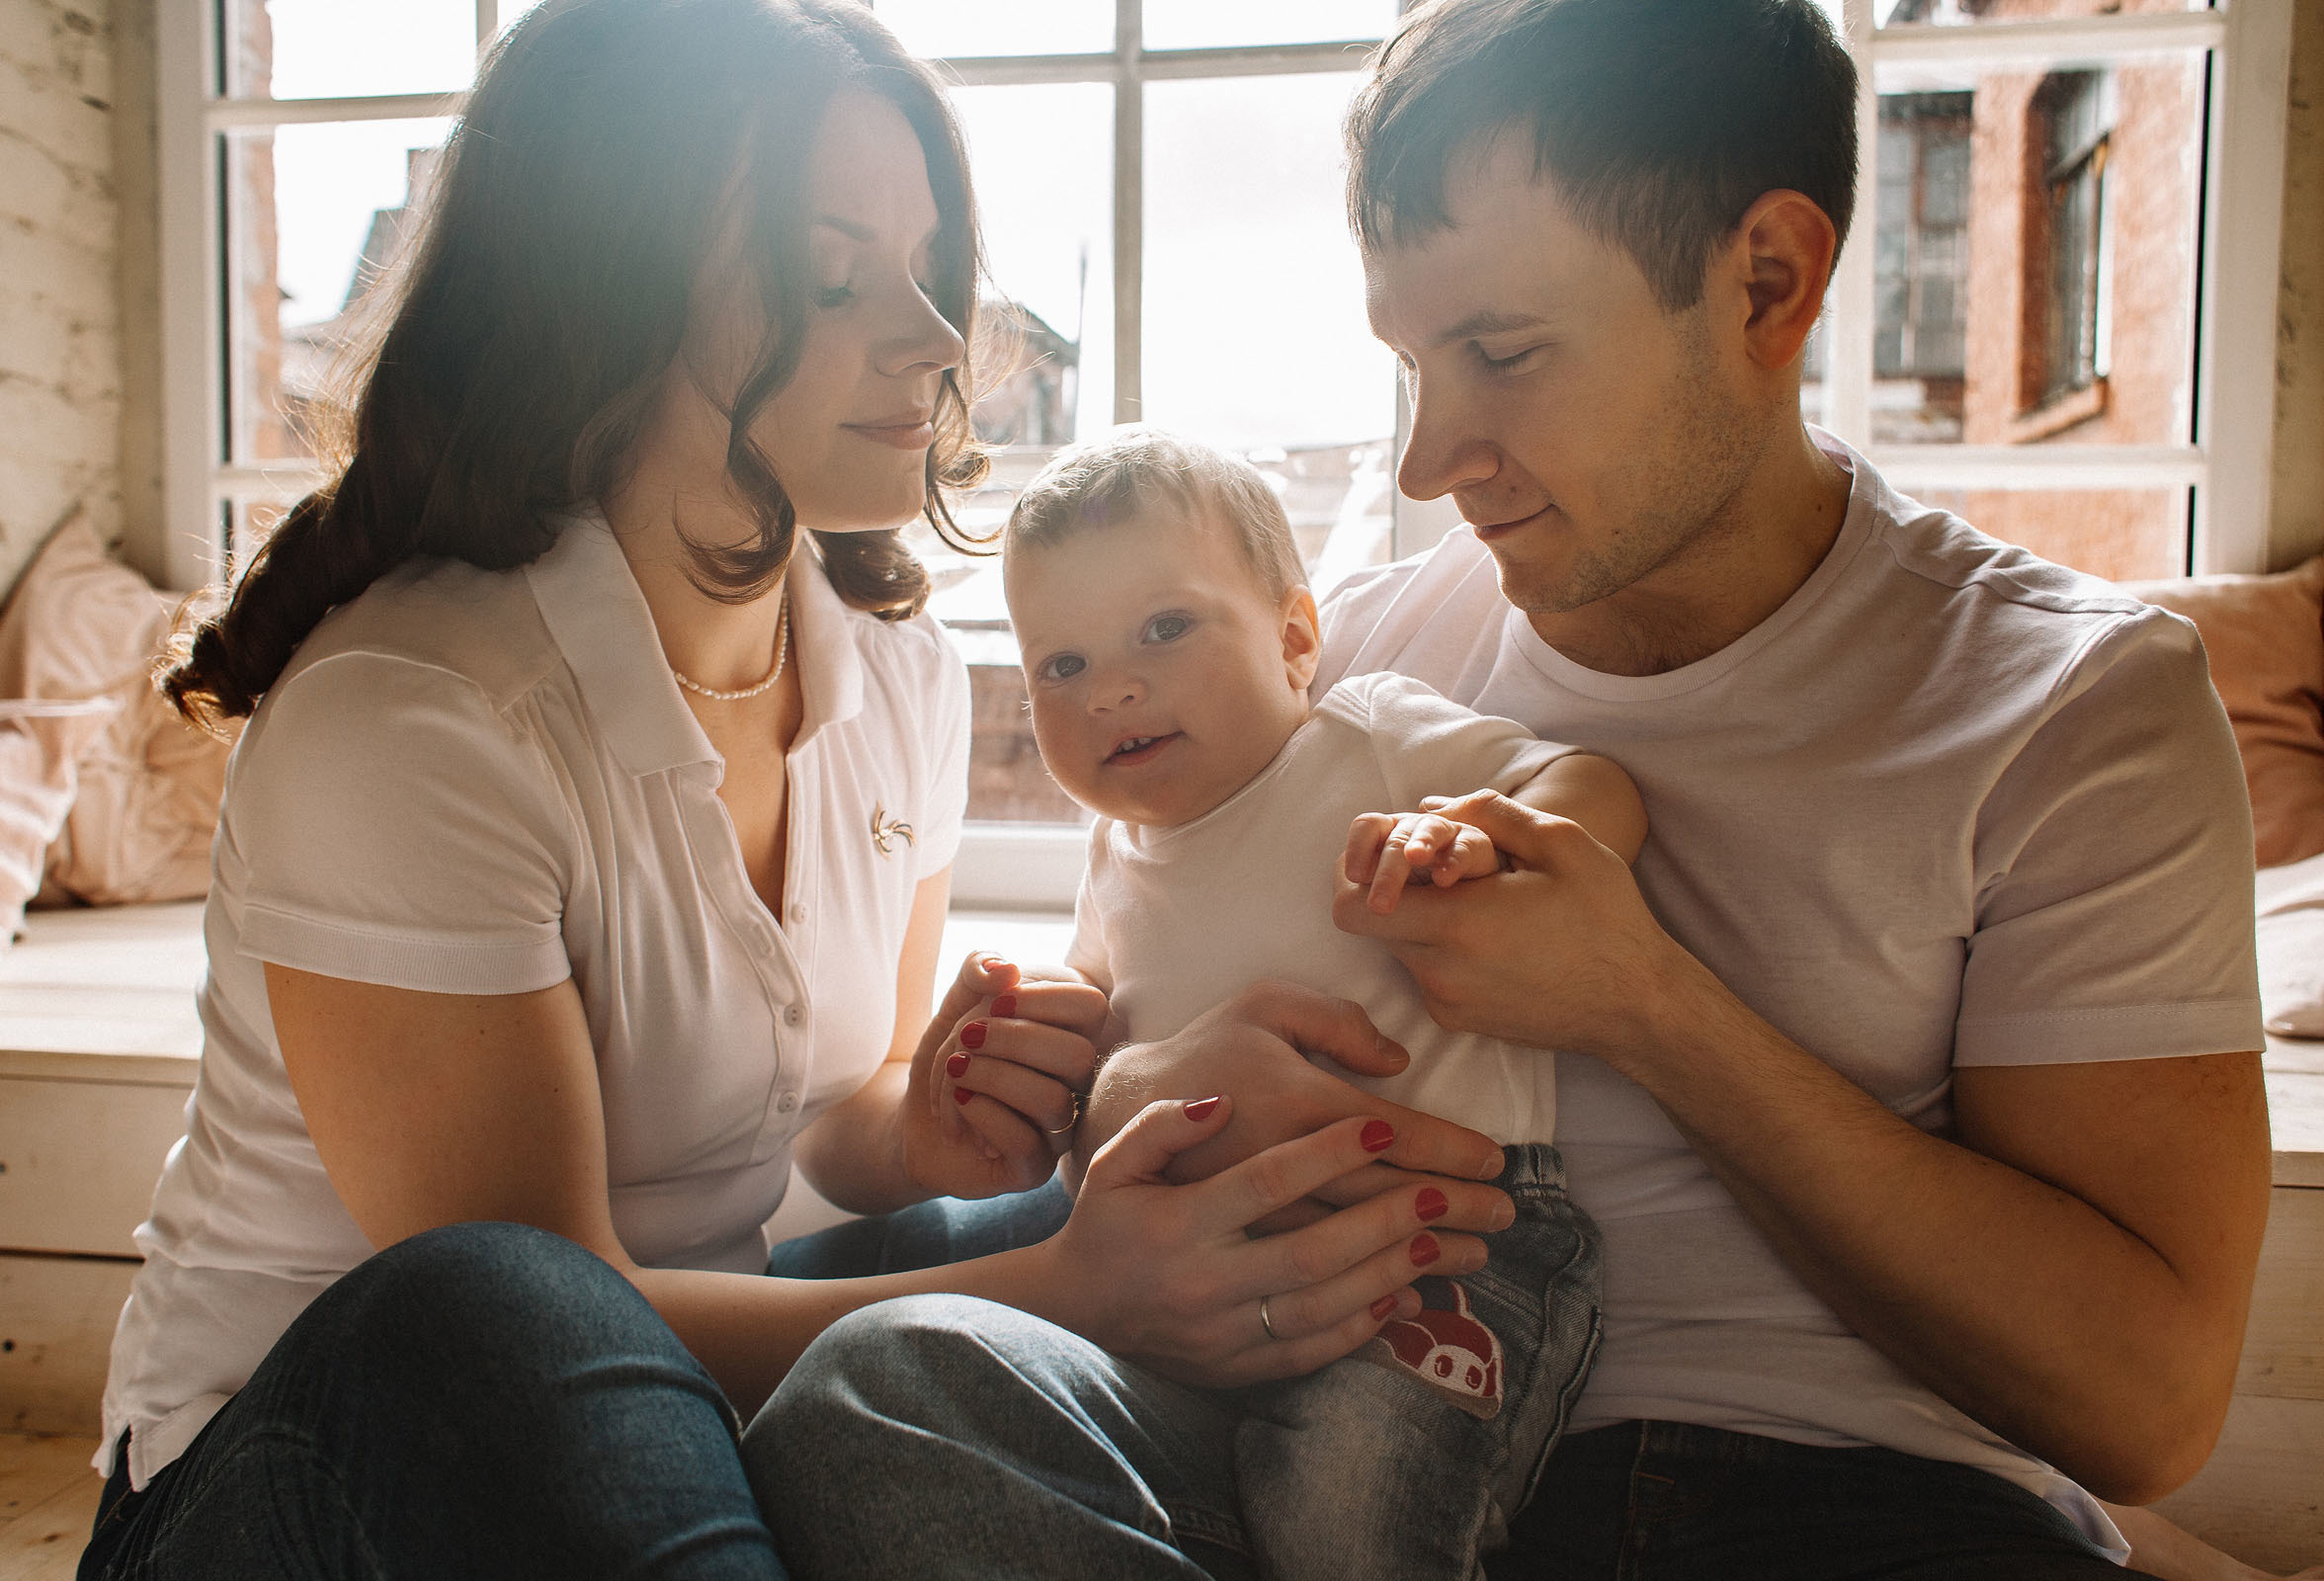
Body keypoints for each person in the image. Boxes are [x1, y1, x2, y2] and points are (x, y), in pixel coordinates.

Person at [741, 0, 2278, 1576]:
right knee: (873, 1402)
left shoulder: (2069, 704)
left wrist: (1650, 1006)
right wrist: (1132, 1090)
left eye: (1503, 354)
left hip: (1840, 1505)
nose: (1428, 459)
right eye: (1413, 363)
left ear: (1768, 282)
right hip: (1292, 1436)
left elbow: (2143, 1412)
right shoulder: (1342, 658)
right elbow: (1153, 973)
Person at [75, 3, 1511, 1577]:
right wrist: (1077, 1291)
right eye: (836, 279)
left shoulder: (891, 667)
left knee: (1130, 1202)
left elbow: (842, 1121)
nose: (937, 337)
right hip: (332, 1472)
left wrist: (966, 1114)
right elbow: (564, 1310)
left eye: (926, 264)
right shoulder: (415, 719)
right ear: (608, 304)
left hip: (681, 1378)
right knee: (503, 1301)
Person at [996, 427, 1644, 1580]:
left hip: (1446, 1240)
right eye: (1063, 665)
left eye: (1164, 628)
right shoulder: (1111, 855)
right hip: (1208, 1276)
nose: (1114, 690)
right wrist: (1026, 1036)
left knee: (1347, 1512)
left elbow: (1590, 784)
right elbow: (1096, 1046)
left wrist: (1479, 842)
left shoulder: (1369, 740)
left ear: (1296, 639)